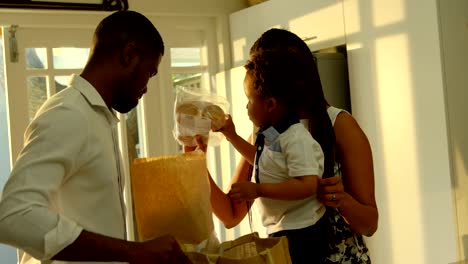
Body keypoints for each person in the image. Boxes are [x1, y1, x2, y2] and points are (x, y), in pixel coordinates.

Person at [0, 10, 190, 264]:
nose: (146, 86)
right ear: (129, 55)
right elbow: (13, 215)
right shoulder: (68, 114)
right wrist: (135, 252)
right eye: (150, 73)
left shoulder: (98, 118)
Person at [201, 28, 377, 263]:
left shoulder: (340, 125)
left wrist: (340, 198)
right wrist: (195, 159)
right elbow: (231, 214)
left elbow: (369, 224)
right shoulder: (267, 132)